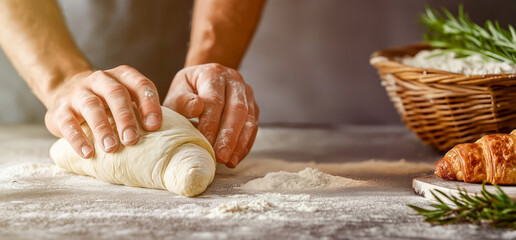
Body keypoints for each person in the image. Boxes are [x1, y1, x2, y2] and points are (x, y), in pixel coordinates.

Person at [0, 0, 265, 168]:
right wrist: (62, 79)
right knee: (78, 128)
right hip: (41, 64)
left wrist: (207, 70)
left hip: (178, 40)